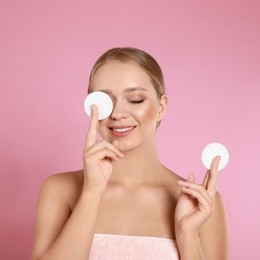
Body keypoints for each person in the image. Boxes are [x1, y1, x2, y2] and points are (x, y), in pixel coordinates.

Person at [31, 47, 229, 259]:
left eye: (135, 100)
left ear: (161, 107)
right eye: (105, 102)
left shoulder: (202, 204)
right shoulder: (60, 190)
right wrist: (92, 192)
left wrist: (187, 237)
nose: (117, 114)